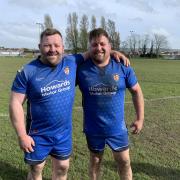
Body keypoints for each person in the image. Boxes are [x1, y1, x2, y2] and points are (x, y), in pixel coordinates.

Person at [9, 28, 129, 180]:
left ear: (63, 48)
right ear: (40, 47)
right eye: (47, 45)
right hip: (38, 133)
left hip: (63, 133)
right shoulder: (27, 71)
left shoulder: (71, 62)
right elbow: (15, 103)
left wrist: (113, 52)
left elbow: (96, 51)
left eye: (56, 45)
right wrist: (22, 135)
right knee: (36, 168)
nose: (52, 49)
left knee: (62, 168)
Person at [77, 28, 144, 180]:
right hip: (93, 128)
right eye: (94, 45)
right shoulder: (81, 69)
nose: (99, 48)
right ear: (89, 47)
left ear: (110, 45)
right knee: (95, 161)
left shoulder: (122, 66)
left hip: (117, 128)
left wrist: (140, 119)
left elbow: (136, 91)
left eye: (102, 44)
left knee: (124, 162)